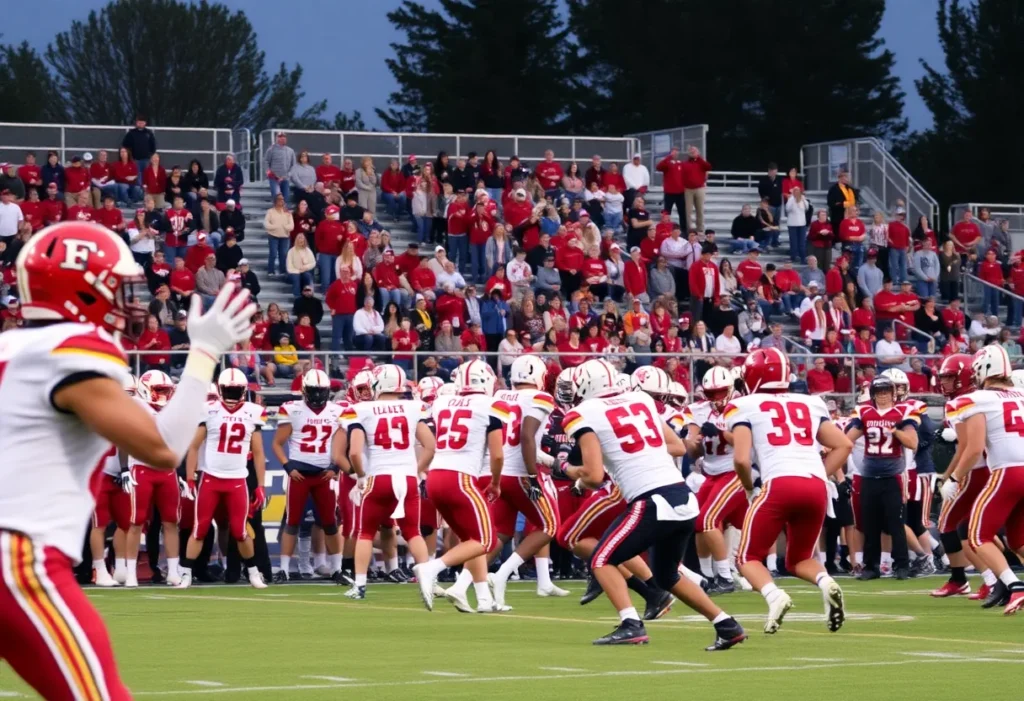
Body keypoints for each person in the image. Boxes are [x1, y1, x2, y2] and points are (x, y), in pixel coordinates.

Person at [0, 222, 255, 698]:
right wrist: (203, 355)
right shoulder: (67, 351)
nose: (127, 301)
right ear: (85, 290)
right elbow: (163, 447)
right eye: (118, 287)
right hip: (15, 558)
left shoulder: (14, 347)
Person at [556, 359, 746, 648]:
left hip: (651, 498)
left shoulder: (581, 413)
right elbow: (674, 445)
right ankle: (727, 625)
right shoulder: (640, 399)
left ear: (584, 384)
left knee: (602, 559)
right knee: (666, 575)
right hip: (681, 495)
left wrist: (566, 470)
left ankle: (630, 623)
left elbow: (594, 477)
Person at [725, 348, 852, 635]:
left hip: (779, 483)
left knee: (747, 557)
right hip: (816, 485)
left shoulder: (744, 405)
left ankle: (775, 596)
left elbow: (741, 459)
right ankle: (826, 581)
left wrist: (749, 489)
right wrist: (822, 473)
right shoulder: (810, 403)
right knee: (798, 558)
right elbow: (844, 444)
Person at [413, 360, 509, 612]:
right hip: (461, 478)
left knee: (469, 539)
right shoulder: (492, 405)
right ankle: (430, 568)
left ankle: (483, 599)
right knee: (485, 540)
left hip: (435, 477)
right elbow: (498, 455)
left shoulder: (443, 401)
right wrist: (496, 483)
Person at [341, 365, 436, 599]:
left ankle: (360, 585)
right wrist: (415, 471)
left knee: (365, 532)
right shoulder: (414, 407)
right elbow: (431, 446)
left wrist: (361, 475)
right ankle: (427, 584)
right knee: (413, 532)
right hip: (406, 477)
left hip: (378, 476)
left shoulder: (361, 409)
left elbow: (354, 453)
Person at [177, 368, 268, 589]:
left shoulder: (253, 412)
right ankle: (186, 573)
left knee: (240, 530)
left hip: (237, 480)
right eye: (228, 389)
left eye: (235, 390)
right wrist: (190, 477)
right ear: (219, 389)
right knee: (200, 528)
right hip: (211, 478)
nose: (232, 394)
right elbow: (194, 446)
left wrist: (261, 486)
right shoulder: (208, 410)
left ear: (244, 390)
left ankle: (254, 571)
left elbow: (258, 453)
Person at [949, 346, 1024, 613]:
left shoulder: (979, 398)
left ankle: (1015, 587)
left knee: (977, 535)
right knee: (1018, 541)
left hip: (1007, 471)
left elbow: (974, 446)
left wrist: (954, 478)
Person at [271, 370, 344, 582]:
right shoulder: (292, 409)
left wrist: (335, 467)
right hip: (299, 474)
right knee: (292, 522)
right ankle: (284, 569)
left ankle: (336, 568)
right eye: (314, 390)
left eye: (321, 391)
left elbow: (343, 442)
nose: (318, 395)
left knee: (330, 522)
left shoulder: (338, 410)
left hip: (324, 474)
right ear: (304, 390)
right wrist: (288, 466)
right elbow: (277, 443)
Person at [844, 375, 919, 580]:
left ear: (893, 392)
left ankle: (902, 565)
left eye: (886, 391)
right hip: (869, 475)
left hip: (893, 475)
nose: (883, 395)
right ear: (873, 394)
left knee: (896, 523)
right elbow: (848, 439)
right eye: (879, 392)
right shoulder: (865, 412)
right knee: (871, 524)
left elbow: (912, 442)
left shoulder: (903, 412)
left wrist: (896, 431)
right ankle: (871, 566)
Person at [683, 367, 747, 593]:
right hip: (710, 473)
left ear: (729, 389)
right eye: (711, 393)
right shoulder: (698, 410)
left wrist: (720, 433)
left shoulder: (742, 408)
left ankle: (726, 577)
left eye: (720, 392)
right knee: (698, 522)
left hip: (734, 472)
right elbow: (692, 451)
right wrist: (694, 441)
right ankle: (707, 575)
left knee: (709, 520)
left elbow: (744, 444)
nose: (716, 398)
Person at [263, 193, 294, 277]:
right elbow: (266, 223)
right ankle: (271, 270)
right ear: (275, 201)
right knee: (273, 254)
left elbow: (291, 226)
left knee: (283, 254)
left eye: (283, 199)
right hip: (273, 236)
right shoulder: (270, 211)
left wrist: (284, 227)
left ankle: (282, 270)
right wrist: (275, 227)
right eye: (279, 199)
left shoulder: (288, 213)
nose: (281, 201)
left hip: (284, 237)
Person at [265, 132, 296, 202]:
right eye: (280, 137)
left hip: (285, 178)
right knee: (277, 198)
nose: (283, 138)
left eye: (284, 137)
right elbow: (266, 162)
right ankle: (276, 212)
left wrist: (289, 175)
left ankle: (284, 212)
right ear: (277, 138)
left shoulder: (290, 151)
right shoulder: (271, 150)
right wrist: (269, 173)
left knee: (286, 198)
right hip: (274, 179)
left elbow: (293, 165)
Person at [286, 232, 317, 298]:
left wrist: (306, 267)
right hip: (293, 273)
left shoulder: (308, 250)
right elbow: (289, 267)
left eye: (302, 239)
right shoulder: (291, 251)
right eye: (299, 238)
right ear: (296, 240)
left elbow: (313, 263)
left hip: (304, 271)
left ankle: (308, 295)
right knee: (296, 276)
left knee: (307, 276)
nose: (301, 240)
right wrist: (298, 271)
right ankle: (297, 297)